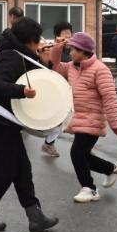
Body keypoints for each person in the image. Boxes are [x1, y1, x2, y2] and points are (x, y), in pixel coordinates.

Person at [0, 17, 59, 232]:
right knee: (6, 171)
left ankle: (35, 216)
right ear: (31, 40)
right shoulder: (10, 56)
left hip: (4, 121)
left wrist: (45, 61)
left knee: (22, 168)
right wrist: (21, 91)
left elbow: (35, 77)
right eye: (37, 40)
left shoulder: (19, 54)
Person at [49, 32, 117, 202]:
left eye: (73, 49)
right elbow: (55, 67)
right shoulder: (72, 67)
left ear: (83, 51)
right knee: (83, 156)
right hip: (78, 119)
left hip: (93, 119)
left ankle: (89, 188)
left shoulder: (100, 69)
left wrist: (114, 123)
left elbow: (109, 97)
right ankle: (111, 169)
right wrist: (57, 47)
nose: (70, 53)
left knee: (77, 153)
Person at [40, 21, 74, 158]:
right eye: (64, 34)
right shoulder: (50, 48)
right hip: (56, 89)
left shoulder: (73, 49)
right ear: (57, 36)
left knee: (71, 118)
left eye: (69, 34)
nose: (68, 37)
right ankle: (49, 142)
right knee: (62, 119)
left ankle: (49, 143)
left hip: (70, 89)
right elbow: (49, 64)